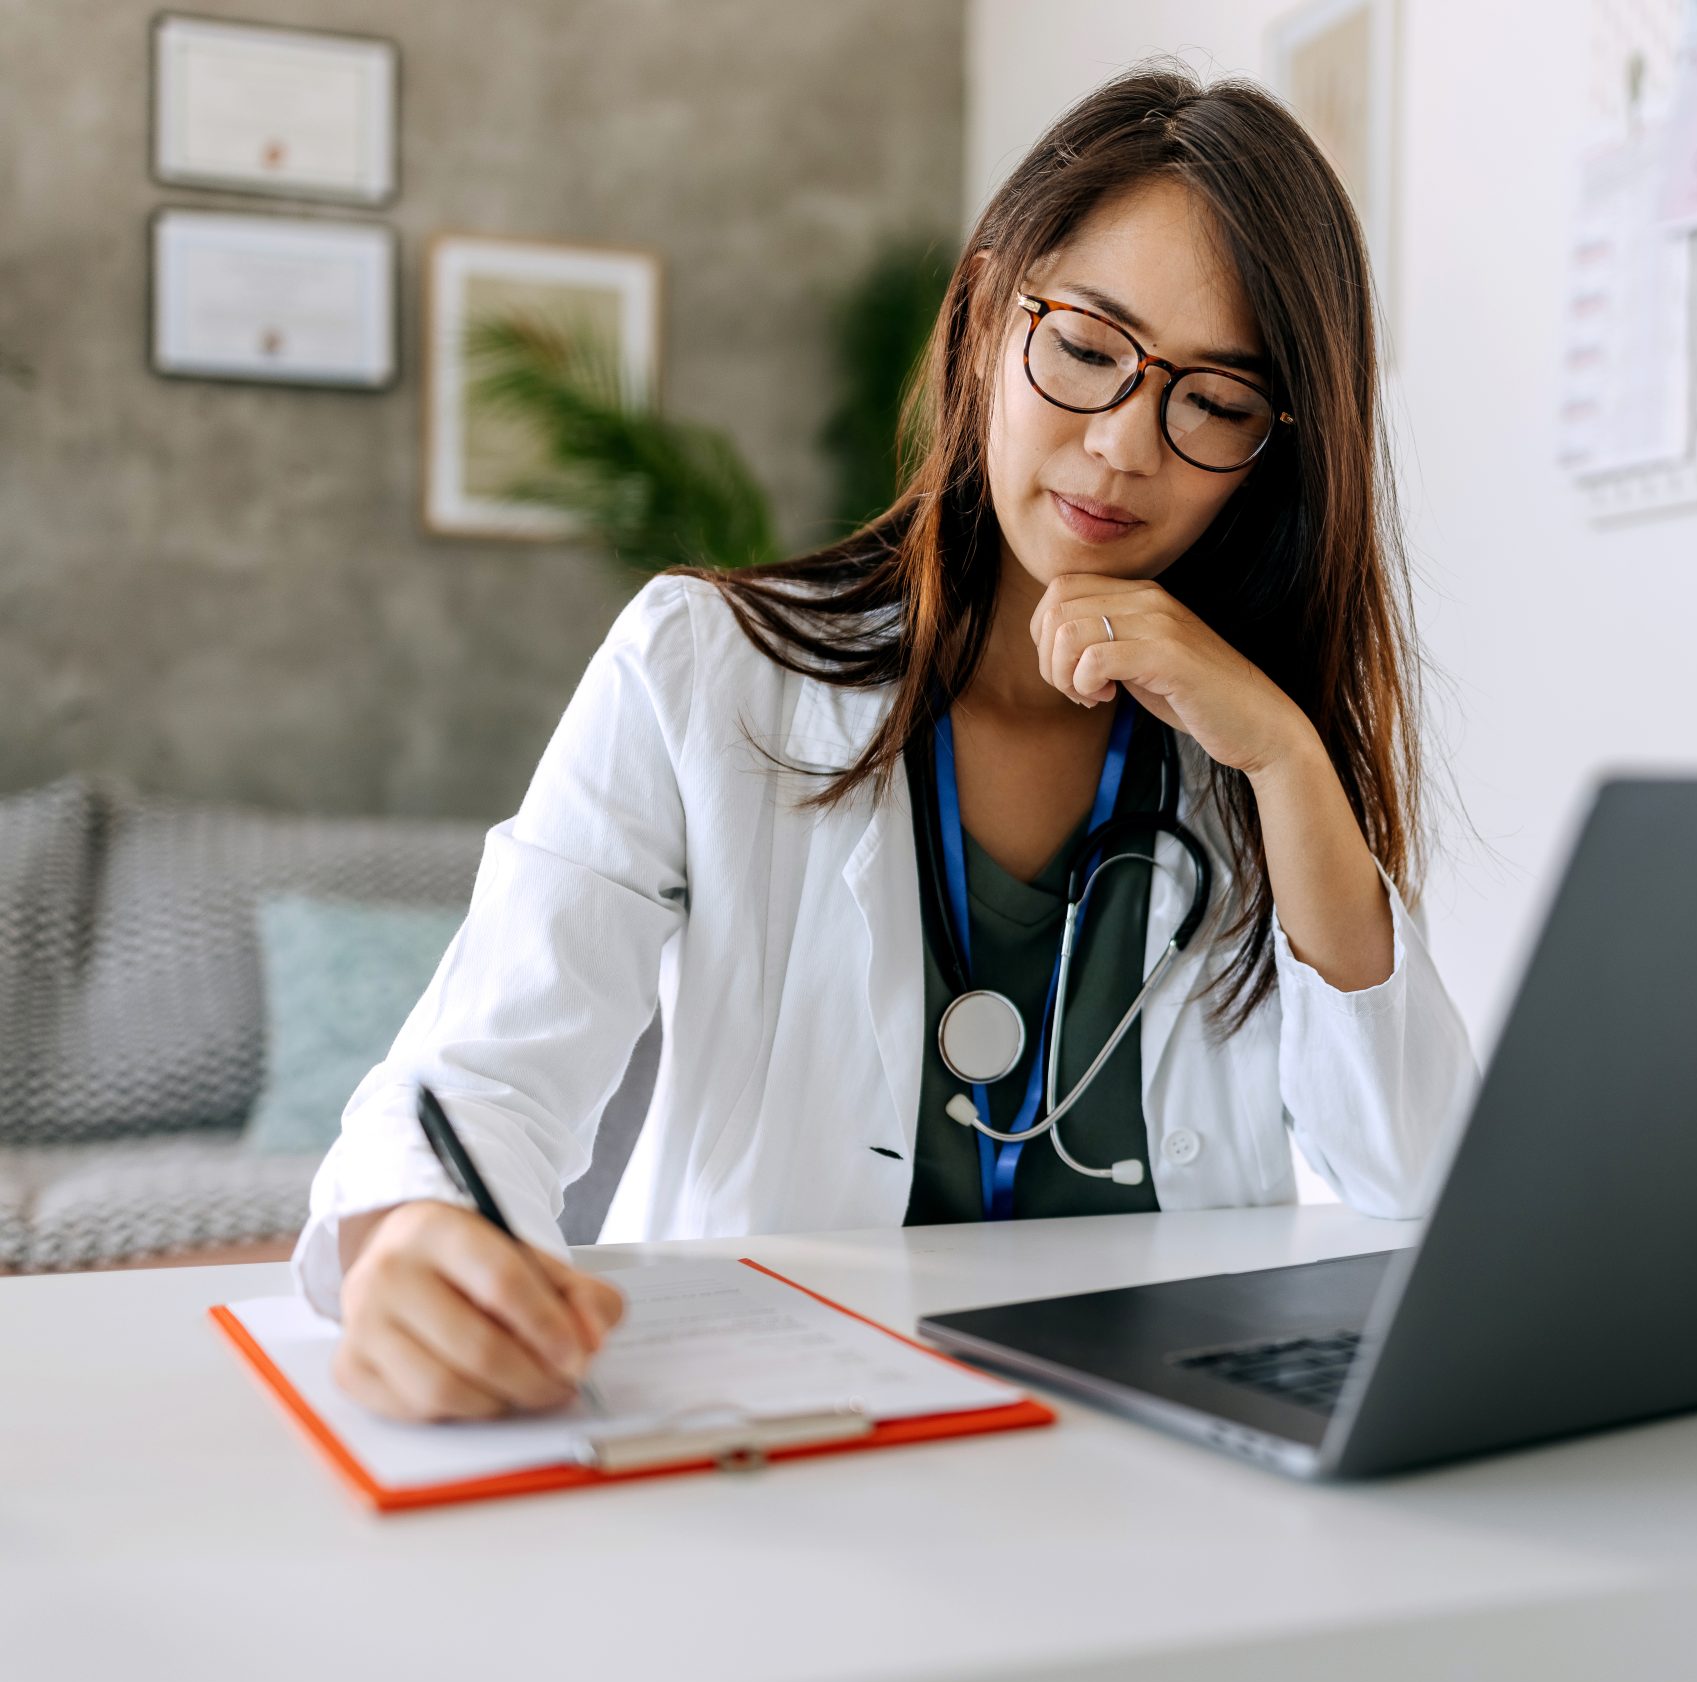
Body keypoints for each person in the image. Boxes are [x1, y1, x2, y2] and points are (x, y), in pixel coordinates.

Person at [299, 67, 1477, 1423]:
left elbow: (1424, 1195)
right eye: (1088, 349)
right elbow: (477, 1081)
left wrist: (1286, 761)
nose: (1120, 446)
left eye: (1212, 401)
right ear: (984, 315)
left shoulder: (1248, 754)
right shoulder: (704, 667)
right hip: (793, 1447)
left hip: (1171, 1457)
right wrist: (416, 1252)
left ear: (1276, 447)